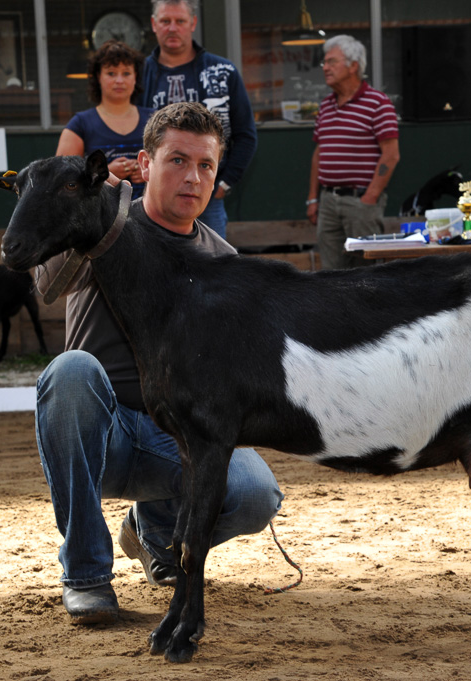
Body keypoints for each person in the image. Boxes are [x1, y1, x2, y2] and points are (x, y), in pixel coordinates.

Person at [34, 102, 283, 625]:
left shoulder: (224, 265)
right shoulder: (103, 222)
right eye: (176, 161)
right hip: (99, 430)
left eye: (206, 166)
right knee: (71, 370)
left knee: (257, 493)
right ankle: (86, 574)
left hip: (173, 441)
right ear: (145, 164)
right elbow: (46, 286)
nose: (193, 177)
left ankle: (155, 528)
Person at [139, 0, 257, 239]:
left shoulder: (223, 72)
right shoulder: (138, 75)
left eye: (180, 21)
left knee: (212, 270)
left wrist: (223, 184)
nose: (172, 28)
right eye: (165, 21)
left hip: (206, 198)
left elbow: (246, 135)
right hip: (152, 197)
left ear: (193, 23)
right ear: (154, 24)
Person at [306, 34, 400, 270]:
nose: (325, 68)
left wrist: (369, 198)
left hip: (360, 202)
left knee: (366, 274)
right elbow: (319, 152)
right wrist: (313, 198)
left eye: (332, 62)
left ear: (353, 66)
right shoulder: (325, 105)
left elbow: (391, 154)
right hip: (327, 202)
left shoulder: (378, 103)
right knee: (330, 275)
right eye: (324, 63)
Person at [56, 41, 152, 197]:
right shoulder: (80, 124)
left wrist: (151, 171)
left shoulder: (154, 119)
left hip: (150, 217)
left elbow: (175, 167)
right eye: (111, 73)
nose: (119, 80)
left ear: (136, 77)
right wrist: (103, 173)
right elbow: (61, 178)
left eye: (126, 73)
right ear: (98, 78)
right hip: (100, 218)